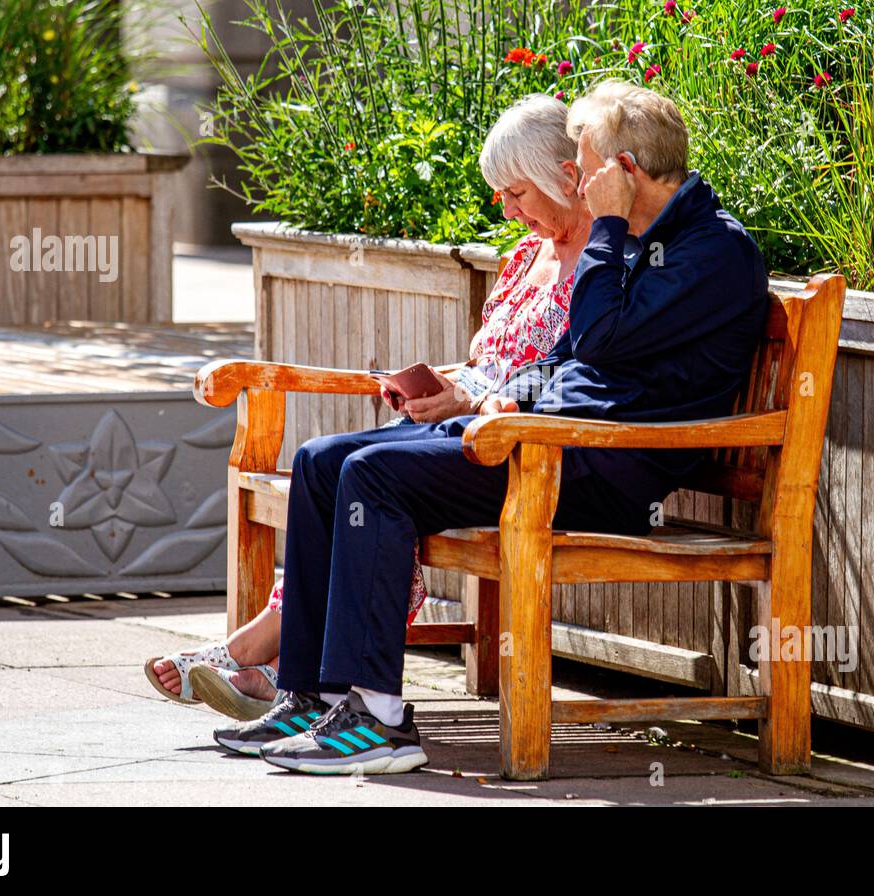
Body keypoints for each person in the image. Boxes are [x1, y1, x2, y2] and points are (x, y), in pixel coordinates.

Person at [216, 79, 771, 775]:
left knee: (373, 477)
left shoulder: (712, 253)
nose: (580, 177)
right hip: (543, 439)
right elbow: (569, 353)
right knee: (325, 461)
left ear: (624, 172)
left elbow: (597, 335)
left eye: (587, 162)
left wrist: (602, 228)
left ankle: (380, 720)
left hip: (599, 469)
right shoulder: (640, 238)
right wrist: (504, 400)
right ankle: (315, 695)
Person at [143, 93, 594, 718]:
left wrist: (472, 396)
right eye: (501, 195)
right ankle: (291, 678)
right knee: (320, 463)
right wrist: (437, 383)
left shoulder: (600, 265)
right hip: (459, 423)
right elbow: (492, 360)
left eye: (517, 193)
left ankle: (280, 667)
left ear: (565, 177)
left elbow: (559, 377)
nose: (508, 209)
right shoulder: (525, 259)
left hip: (513, 444)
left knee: (361, 475)